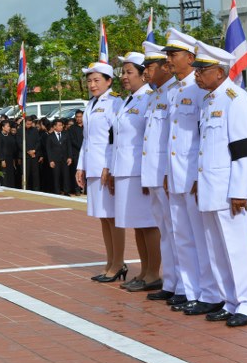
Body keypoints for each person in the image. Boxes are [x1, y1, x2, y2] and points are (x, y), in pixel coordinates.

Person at [193, 41, 247, 327]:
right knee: (217, 250)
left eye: (202, 70)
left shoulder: (237, 99)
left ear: (219, 73)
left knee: (239, 248)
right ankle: (229, 300)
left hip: (232, 190)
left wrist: (239, 192)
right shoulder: (210, 100)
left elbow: (245, 150)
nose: (197, 75)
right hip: (213, 187)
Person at [162, 29, 222, 315]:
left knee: (201, 237)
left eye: (173, 55)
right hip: (175, 174)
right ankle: (189, 289)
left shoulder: (200, 90)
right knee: (181, 234)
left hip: (193, 175)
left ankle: (209, 291)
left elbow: (203, 137)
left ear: (190, 57)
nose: (169, 61)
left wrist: (199, 175)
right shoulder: (174, 90)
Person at [110, 51, 159, 292]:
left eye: (129, 72)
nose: (124, 76)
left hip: (140, 171)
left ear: (143, 73)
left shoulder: (149, 97)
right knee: (138, 224)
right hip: (125, 170)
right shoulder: (130, 100)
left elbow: (149, 141)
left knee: (149, 224)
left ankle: (154, 273)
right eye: (123, 72)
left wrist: (148, 174)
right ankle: (144, 271)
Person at [75, 62, 124, 282]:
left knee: (113, 218)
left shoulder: (115, 103)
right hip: (93, 167)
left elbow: (116, 139)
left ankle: (118, 263)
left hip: (106, 168)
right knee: (103, 218)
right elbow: (87, 140)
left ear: (109, 81)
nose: (92, 85)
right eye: (89, 80)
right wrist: (80, 165)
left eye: (96, 80)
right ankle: (110, 261)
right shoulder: (90, 104)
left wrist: (110, 166)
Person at [140, 41, 180, 301]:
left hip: (168, 175)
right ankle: (172, 282)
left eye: (150, 66)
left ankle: (184, 286)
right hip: (154, 175)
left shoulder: (173, 93)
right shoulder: (155, 96)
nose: (145, 71)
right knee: (166, 231)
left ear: (166, 67)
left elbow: (172, 140)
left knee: (178, 232)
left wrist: (165, 173)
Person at [46, 118, 72, 195]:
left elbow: (69, 146)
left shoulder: (65, 134)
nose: (61, 127)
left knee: (66, 176)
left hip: (65, 159)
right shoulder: (50, 136)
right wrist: (50, 160)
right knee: (56, 176)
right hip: (55, 159)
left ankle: (66, 191)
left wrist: (70, 157)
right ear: (54, 127)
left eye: (62, 125)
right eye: (59, 125)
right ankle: (57, 191)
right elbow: (48, 149)